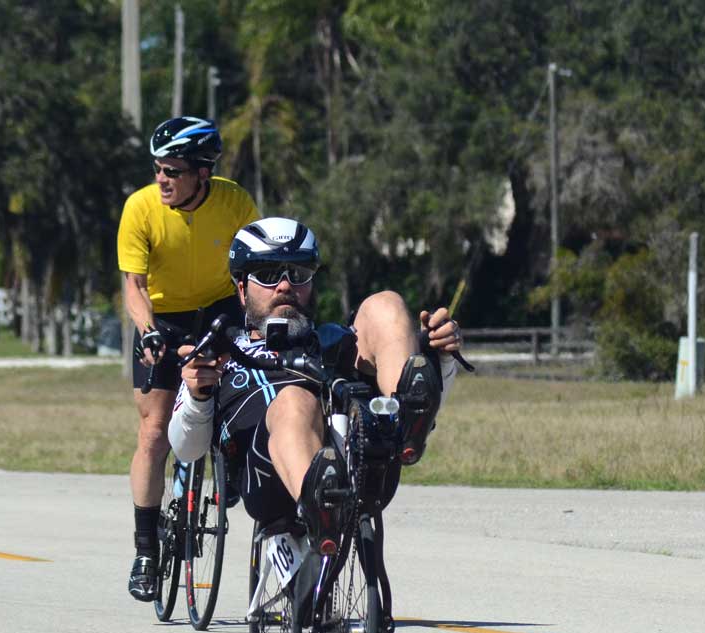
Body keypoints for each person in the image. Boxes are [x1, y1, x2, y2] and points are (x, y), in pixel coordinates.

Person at [167, 217, 462, 556]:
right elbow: (186, 450)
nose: (284, 286)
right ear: (241, 288)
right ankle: (321, 507)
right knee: (294, 401)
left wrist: (442, 359)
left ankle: (402, 424)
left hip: (365, 461)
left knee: (385, 304)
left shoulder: (332, 341)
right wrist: (197, 395)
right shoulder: (219, 355)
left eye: (298, 274)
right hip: (267, 479)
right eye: (267, 274)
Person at [118, 116, 260, 601]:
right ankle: (145, 550)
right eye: (158, 168)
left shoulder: (235, 201)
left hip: (220, 309)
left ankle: (232, 460)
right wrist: (149, 331)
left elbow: (254, 268)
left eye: (173, 171)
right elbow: (134, 286)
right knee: (154, 431)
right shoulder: (140, 208)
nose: (162, 179)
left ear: (202, 172)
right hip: (164, 317)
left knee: (247, 393)